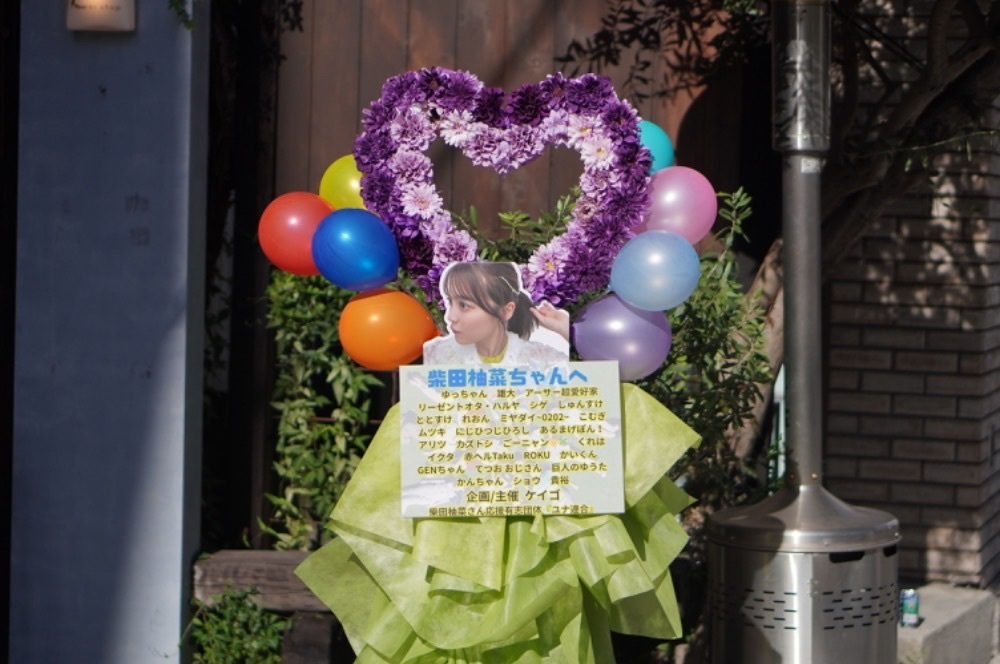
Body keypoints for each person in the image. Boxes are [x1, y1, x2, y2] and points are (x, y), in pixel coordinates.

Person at [422, 261, 570, 366]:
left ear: (507, 310)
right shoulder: (436, 355)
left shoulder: (539, 360)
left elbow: (579, 379)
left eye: (464, 305)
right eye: (450, 302)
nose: (450, 317)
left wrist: (565, 329)